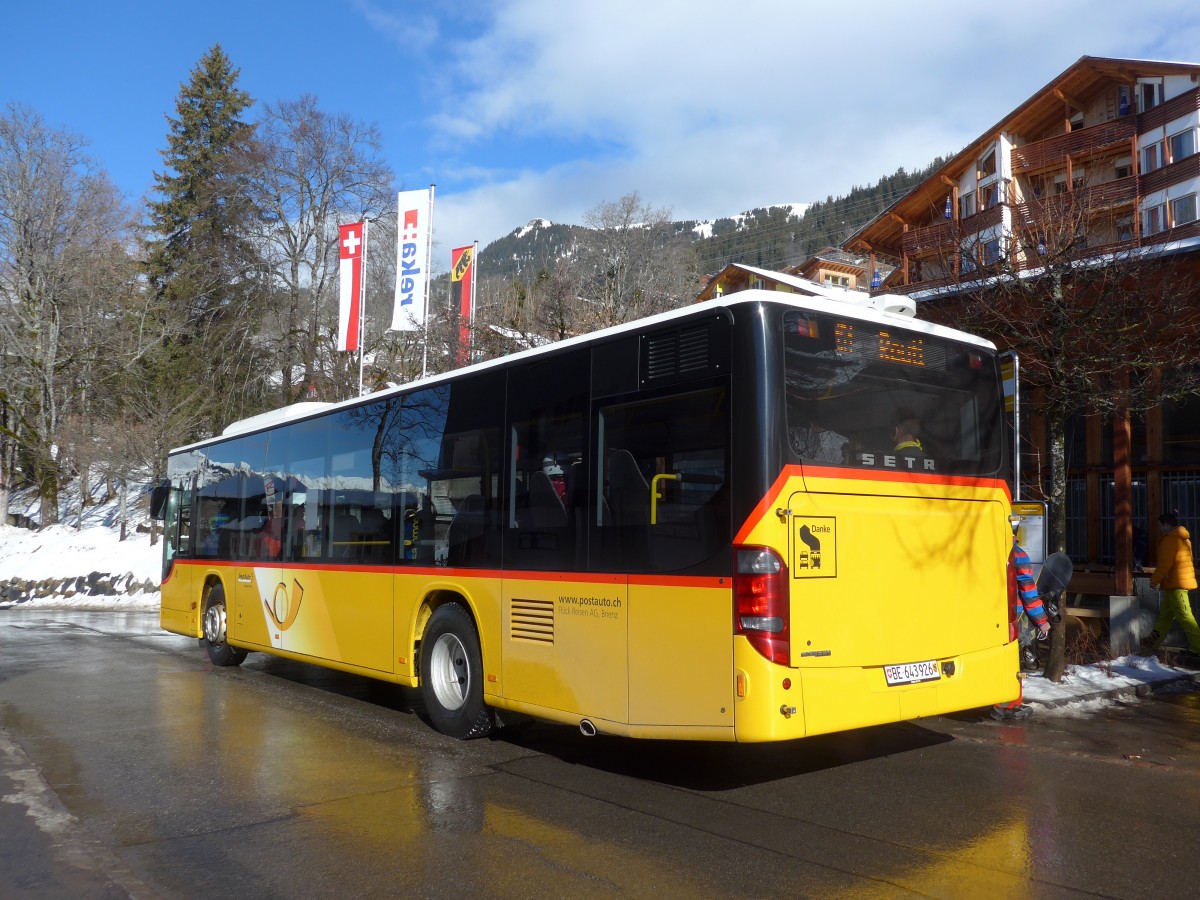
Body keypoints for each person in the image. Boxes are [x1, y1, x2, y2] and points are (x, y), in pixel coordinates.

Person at [992, 527, 1052, 720]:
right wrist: (1041, 621)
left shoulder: (987, 550)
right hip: (1011, 617)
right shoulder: (1017, 555)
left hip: (987, 616)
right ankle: (1008, 704)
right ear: (1015, 534)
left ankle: (995, 700)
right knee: (1012, 662)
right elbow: (1028, 591)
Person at [1144, 510, 1200, 657]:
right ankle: (1152, 643)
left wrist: (1154, 580)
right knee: (1165, 617)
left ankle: (1197, 647)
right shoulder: (1183, 538)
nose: (1159, 529)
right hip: (1175, 583)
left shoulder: (1170, 540)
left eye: (1160, 525)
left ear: (1167, 524)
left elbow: (1165, 564)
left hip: (1176, 584)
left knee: (1185, 616)